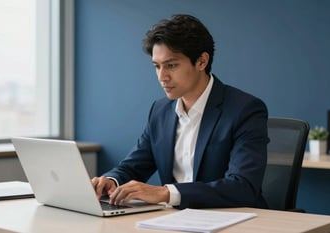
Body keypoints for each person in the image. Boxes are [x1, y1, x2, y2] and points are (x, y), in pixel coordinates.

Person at [92, 14, 268, 209]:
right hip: (173, 220)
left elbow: (243, 187)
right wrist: (111, 180)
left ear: (201, 61)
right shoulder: (160, 111)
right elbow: (133, 166)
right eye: (157, 66)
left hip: (232, 221)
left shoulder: (245, 110)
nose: (162, 77)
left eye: (171, 65)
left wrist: (166, 193)